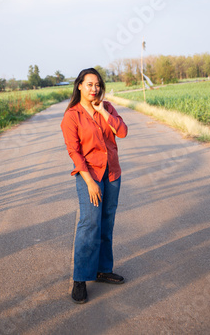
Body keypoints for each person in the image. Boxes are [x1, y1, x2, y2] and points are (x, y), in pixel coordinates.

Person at [60, 68, 128, 304]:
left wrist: (103, 111)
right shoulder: (72, 116)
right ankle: (80, 279)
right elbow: (74, 152)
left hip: (112, 173)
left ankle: (102, 270)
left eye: (97, 84)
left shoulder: (106, 108)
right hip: (89, 174)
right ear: (79, 85)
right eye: (89, 84)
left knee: (107, 222)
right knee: (89, 224)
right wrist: (90, 182)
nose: (94, 89)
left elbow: (123, 132)